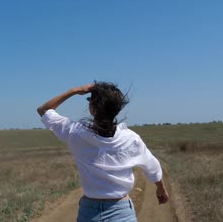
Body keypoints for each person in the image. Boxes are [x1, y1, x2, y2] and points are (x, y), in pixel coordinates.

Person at [37, 82, 168, 222]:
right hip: (121, 211)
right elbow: (152, 167)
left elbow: (44, 110)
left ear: (92, 108)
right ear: (117, 109)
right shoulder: (131, 139)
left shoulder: (75, 133)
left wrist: (75, 91)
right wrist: (161, 188)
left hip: (89, 212)